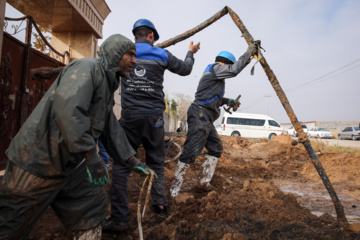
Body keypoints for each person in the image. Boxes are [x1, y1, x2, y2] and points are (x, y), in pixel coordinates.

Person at [0, 34, 156, 240]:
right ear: (116, 53)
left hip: (69, 163)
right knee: (10, 224)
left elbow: (109, 127)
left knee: (91, 205)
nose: (134, 61)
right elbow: (70, 111)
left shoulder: (107, 83)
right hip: (37, 161)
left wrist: (131, 159)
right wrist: (91, 154)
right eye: (130, 55)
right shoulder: (87, 68)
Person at [104, 19, 200, 231]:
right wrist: (191, 52)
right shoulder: (162, 54)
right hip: (154, 118)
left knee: (121, 165)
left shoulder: (126, 53)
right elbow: (185, 69)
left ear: (135, 35)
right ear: (151, 36)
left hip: (129, 118)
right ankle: (160, 206)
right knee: (155, 162)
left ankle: (119, 219)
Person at [170, 44, 257, 197]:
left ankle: (204, 182)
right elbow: (234, 70)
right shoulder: (216, 68)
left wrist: (227, 100)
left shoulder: (215, 75)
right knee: (191, 151)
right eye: (229, 66)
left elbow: (211, 97)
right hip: (200, 114)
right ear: (225, 63)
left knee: (216, 148)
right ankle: (174, 189)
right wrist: (248, 54)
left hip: (206, 116)